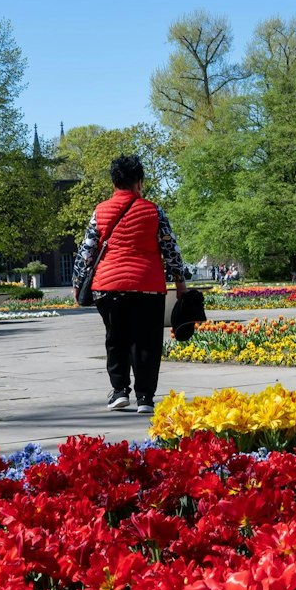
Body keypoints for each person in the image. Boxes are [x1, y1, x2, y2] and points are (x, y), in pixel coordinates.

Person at [71, 153, 189, 414]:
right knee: (147, 341)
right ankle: (145, 398)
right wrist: (180, 281)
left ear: (114, 183)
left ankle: (119, 391)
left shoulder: (100, 211)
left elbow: (86, 251)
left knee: (116, 339)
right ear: (139, 182)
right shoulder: (153, 210)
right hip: (147, 285)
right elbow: (170, 249)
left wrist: (78, 282)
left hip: (108, 286)